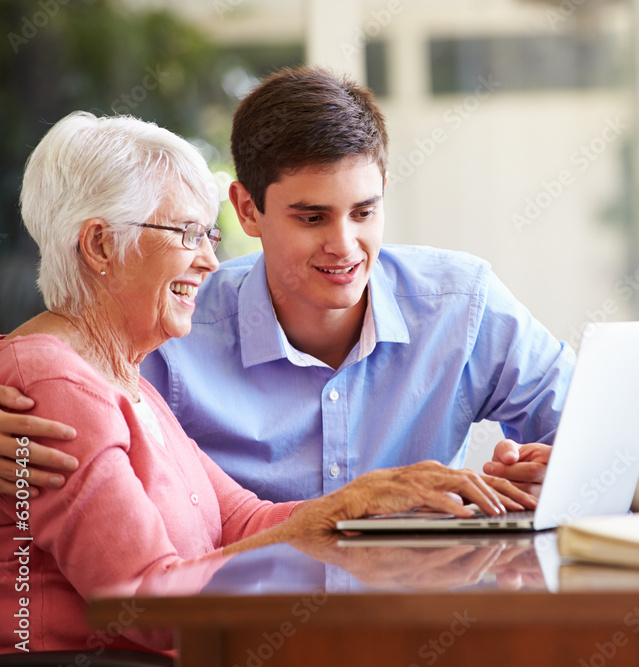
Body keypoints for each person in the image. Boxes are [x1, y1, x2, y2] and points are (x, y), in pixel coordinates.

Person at [0, 111, 532, 655]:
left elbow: (241, 519)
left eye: (208, 234)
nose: (209, 261)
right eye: (188, 234)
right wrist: (332, 515)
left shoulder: (122, 375)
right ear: (100, 246)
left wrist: (365, 500)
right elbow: (144, 604)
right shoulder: (55, 383)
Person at [0, 67, 574, 503]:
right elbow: (54, 355)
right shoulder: (175, 324)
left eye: (364, 212)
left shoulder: (461, 304)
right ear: (247, 211)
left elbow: (599, 430)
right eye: (312, 217)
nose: (345, 245)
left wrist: (563, 465)